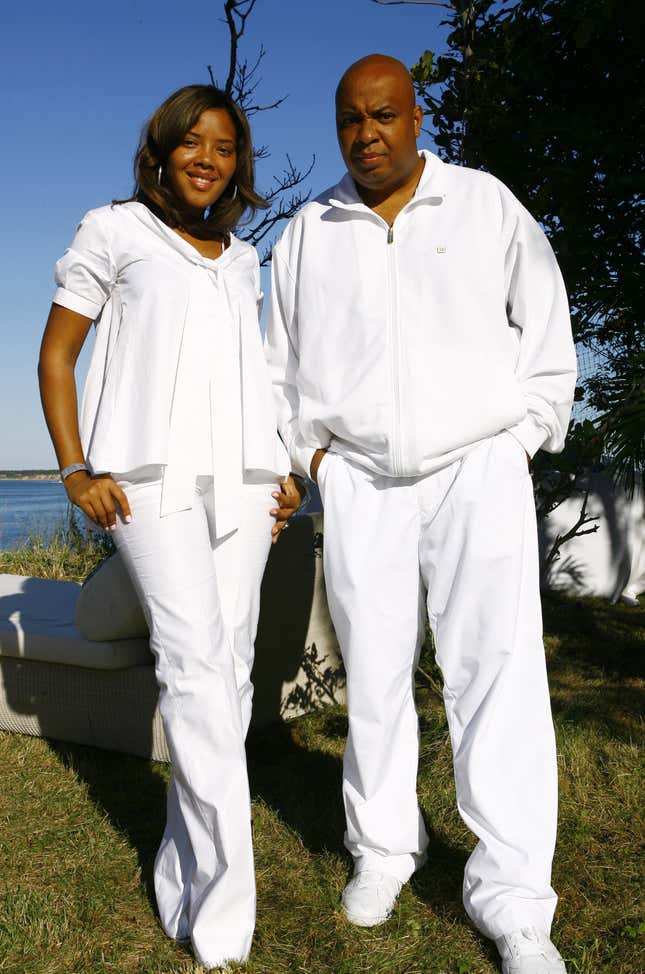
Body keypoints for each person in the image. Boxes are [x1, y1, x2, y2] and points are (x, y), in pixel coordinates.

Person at [265, 54, 575, 974]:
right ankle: (385, 849)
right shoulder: (309, 230)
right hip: (360, 477)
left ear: (415, 115)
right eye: (350, 121)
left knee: (498, 673)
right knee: (374, 671)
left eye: (384, 115)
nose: (367, 135)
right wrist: (310, 456)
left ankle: (514, 900)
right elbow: (275, 363)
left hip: (476, 467)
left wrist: (519, 436)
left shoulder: (483, 204)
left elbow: (546, 327)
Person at [38, 84, 304, 970]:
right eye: (192, 141)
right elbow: (58, 354)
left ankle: (182, 868)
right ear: (161, 148)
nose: (207, 158)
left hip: (243, 482)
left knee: (225, 673)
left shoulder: (238, 257)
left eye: (224, 147)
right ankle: (227, 909)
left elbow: (253, 381)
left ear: (238, 164)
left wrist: (284, 469)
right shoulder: (111, 229)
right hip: (144, 480)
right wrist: (76, 468)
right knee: (193, 667)